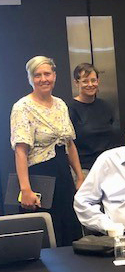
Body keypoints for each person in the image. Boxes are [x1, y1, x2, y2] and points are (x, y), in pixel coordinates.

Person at [11, 56, 83, 246]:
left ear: (54, 75)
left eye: (47, 74)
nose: (43, 79)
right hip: (39, 177)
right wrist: (25, 189)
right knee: (47, 236)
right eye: (37, 75)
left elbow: (70, 144)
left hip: (63, 176)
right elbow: (20, 151)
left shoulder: (60, 105)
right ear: (30, 79)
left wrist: (80, 176)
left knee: (69, 230)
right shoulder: (22, 108)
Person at [68, 63, 118, 179]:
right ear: (76, 83)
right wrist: (79, 176)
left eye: (93, 80)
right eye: (85, 81)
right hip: (83, 170)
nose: (90, 85)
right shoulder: (70, 109)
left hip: (108, 167)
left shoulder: (106, 106)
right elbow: (69, 145)